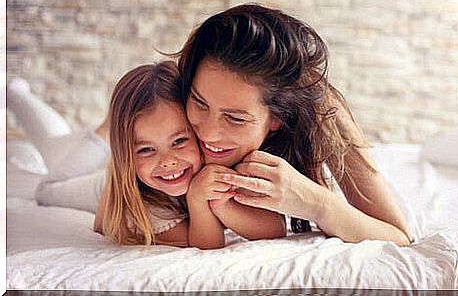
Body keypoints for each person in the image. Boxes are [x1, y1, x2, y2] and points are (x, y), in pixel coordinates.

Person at [173, 3, 413, 246]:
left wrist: (314, 202)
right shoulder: (166, 100)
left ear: (279, 117)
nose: (209, 133)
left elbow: (398, 237)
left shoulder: (321, 110)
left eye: (236, 118)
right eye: (199, 102)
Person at [16, 61, 285, 248]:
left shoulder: (221, 153)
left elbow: (275, 229)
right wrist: (198, 199)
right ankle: (16, 95)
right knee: (47, 188)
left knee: (57, 145)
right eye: (146, 147)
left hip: (129, 161)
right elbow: (204, 245)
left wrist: (222, 203)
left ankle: (17, 93)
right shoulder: (143, 203)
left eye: (180, 141)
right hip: (111, 181)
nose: (167, 160)